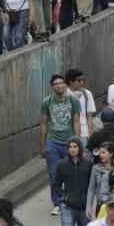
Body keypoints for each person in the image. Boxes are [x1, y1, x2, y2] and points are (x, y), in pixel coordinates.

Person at [42, 74, 83, 216]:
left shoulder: (73, 100)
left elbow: (76, 121)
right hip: (52, 142)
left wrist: (77, 142)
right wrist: (43, 145)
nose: (59, 85)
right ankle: (58, 202)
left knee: (71, 173)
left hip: (69, 142)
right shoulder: (47, 102)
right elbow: (43, 123)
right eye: (56, 83)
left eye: (61, 83)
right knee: (54, 174)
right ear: (52, 87)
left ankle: (70, 199)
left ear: (65, 85)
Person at [56, 138, 95, 226]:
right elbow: (56, 184)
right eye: (70, 147)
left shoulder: (88, 164)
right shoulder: (62, 164)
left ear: (80, 148)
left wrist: (91, 204)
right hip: (67, 207)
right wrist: (61, 198)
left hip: (84, 208)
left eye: (75, 146)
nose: (72, 149)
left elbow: (92, 185)